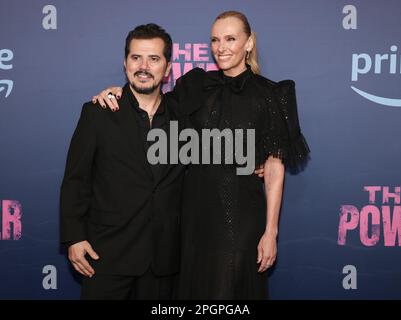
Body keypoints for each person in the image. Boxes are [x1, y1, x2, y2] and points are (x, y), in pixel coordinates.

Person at [93, 11, 310, 299]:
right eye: (215, 40)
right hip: (194, 213)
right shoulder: (197, 84)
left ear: (249, 42)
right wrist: (119, 93)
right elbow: (153, 106)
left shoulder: (272, 95)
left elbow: (273, 168)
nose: (221, 47)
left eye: (231, 38)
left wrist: (270, 233)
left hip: (241, 215)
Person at [60, 24, 186, 299]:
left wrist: (255, 164)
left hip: (164, 260)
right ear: (125, 63)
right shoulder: (98, 112)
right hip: (106, 255)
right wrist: (74, 237)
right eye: (136, 57)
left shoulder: (185, 117)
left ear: (167, 68)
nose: (144, 66)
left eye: (154, 59)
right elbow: (76, 180)